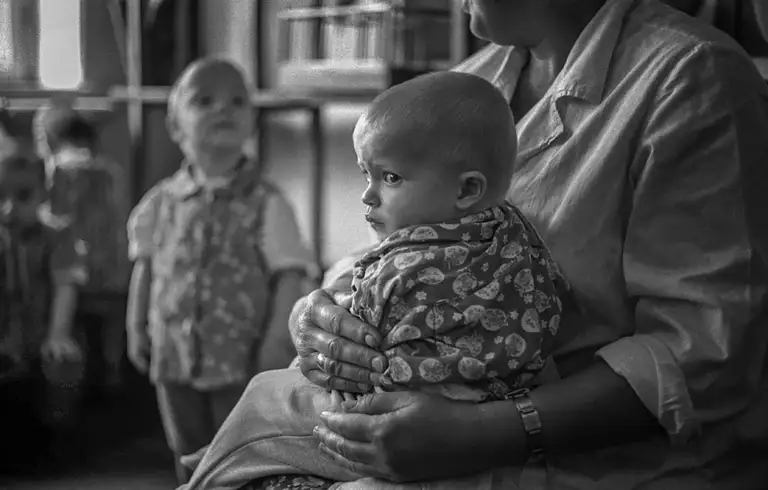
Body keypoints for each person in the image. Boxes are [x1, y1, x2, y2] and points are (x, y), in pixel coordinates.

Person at [244, 0, 768, 489]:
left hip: (602, 471)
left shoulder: (693, 79)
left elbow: (700, 356)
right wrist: (318, 317)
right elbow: (399, 245)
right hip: (407, 419)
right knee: (255, 411)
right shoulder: (470, 82)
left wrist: (485, 433)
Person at [181, 71, 576, 489]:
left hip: (406, 421)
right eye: (366, 175)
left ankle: (209, 472)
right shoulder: (516, 231)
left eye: (389, 178)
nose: (368, 195)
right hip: (511, 401)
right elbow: (555, 298)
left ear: (467, 190)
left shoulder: (396, 268)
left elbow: (357, 358)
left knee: (262, 397)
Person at [125, 57, 316, 485]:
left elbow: (290, 276)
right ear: (176, 128)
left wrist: (274, 343)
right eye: (204, 101)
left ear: (251, 122)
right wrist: (137, 326)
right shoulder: (161, 202)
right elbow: (147, 266)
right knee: (185, 445)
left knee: (234, 449)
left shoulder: (268, 202)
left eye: (236, 101)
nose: (222, 110)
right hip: (173, 354)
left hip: (240, 357)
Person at [33, 102, 131, 392]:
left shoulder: (59, 172)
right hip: (115, 274)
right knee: (111, 341)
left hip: (75, 275)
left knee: (75, 340)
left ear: (48, 139)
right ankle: (114, 387)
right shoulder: (112, 171)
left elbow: (57, 220)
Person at [0, 150, 88, 464]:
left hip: (40, 331)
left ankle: (56, 441)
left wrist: (57, 333)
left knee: (61, 361)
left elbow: (65, 286)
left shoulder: (56, 236)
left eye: (22, 197)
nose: (8, 208)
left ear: (42, 194)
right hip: (7, 335)